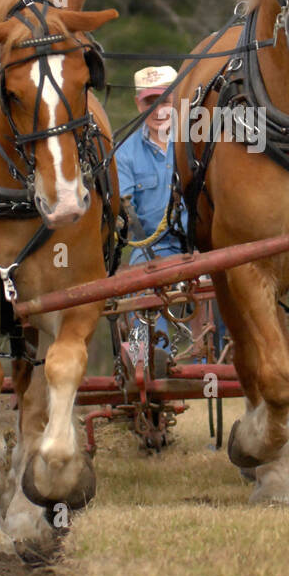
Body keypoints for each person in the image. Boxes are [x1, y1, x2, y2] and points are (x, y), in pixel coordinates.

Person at [115, 66, 187, 362]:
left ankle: (208, 364)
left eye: (165, 101)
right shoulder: (125, 154)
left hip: (200, 244)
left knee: (227, 287)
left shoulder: (197, 144)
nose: (158, 110)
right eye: (150, 102)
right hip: (149, 249)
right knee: (137, 295)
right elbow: (125, 212)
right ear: (139, 104)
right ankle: (145, 363)